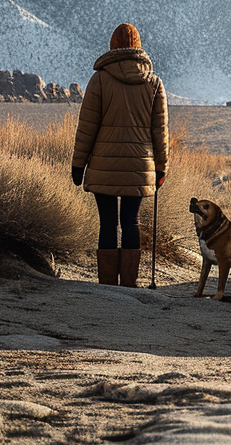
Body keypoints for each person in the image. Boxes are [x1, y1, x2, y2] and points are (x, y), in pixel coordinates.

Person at [71, 23, 169, 287]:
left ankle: (106, 284)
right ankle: (129, 283)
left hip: (104, 163)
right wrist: (161, 168)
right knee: (130, 221)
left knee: (107, 224)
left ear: (113, 46)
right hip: (139, 166)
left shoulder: (100, 79)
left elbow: (87, 126)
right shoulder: (154, 83)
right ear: (138, 47)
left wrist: (78, 165)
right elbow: (160, 131)